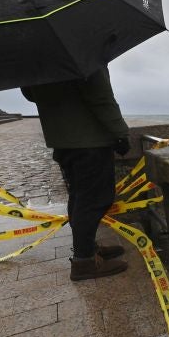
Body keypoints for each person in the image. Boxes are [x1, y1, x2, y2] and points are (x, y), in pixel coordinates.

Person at [21, 66, 131, 281]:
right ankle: (84, 261)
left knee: (79, 198)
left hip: (63, 142)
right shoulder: (80, 53)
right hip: (89, 140)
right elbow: (100, 95)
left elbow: (29, 94)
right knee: (94, 200)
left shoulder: (35, 58)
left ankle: (88, 247)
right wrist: (120, 132)